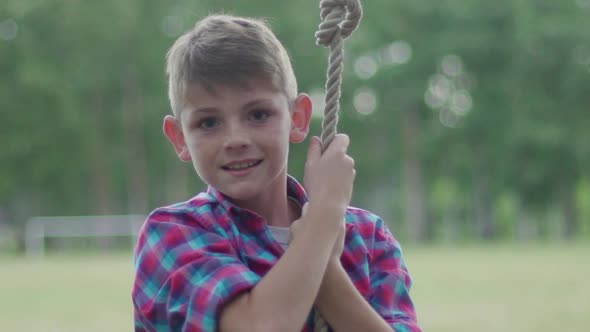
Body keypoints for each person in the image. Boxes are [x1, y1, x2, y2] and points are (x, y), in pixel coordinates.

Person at [132, 14, 421, 332]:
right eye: (209, 123)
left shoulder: (368, 238)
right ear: (180, 138)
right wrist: (321, 224)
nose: (236, 140)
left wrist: (327, 270)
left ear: (297, 118)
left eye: (258, 114)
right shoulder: (173, 236)